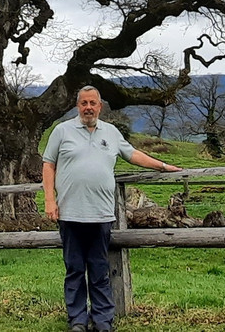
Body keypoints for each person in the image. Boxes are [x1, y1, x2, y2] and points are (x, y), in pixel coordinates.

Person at [42, 85, 182, 332]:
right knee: (74, 269)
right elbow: (48, 165)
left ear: (100, 106)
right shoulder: (62, 131)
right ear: (78, 106)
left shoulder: (112, 132)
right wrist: (49, 200)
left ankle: (103, 321)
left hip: (101, 213)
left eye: (92, 103)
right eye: (84, 103)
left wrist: (162, 165)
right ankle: (77, 320)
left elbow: (133, 154)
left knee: (99, 269)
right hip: (70, 212)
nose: (88, 108)